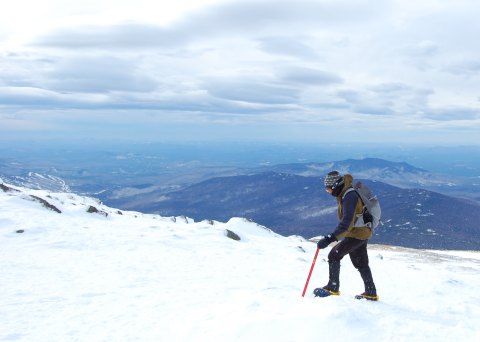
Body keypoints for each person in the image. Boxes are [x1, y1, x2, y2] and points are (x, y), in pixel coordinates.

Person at [313, 170, 379, 301]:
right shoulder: (346, 192)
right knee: (360, 261)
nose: (328, 192)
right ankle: (371, 292)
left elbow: (346, 222)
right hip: (362, 231)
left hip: (358, 232)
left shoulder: (349, 196)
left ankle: (332, 287)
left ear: (336, 185)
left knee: (334, 255)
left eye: (329, 189)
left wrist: (329, 238)